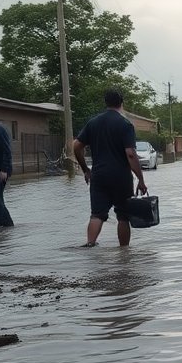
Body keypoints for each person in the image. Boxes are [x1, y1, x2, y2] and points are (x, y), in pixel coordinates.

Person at [73, 88, 149, 247]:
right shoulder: (125, 124)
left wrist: (86, 169)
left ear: (105, 103)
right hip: (121, 177)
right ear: (122, 102)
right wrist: (141, 179)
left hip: (98, 175)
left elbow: (76, 146)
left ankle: (89, 245)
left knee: (97, 214)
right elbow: (130, 154)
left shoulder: (93, 122)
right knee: (123, 216)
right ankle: (124, 253)